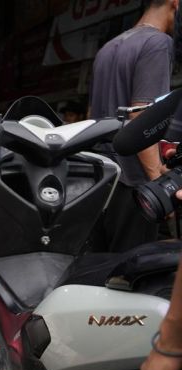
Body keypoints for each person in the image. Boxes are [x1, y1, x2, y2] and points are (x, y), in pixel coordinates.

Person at [88, 0, 178, 253]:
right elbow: (143, 118)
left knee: (101, 267)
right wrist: (158, 186)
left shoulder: (108, 47)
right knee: (130, 275)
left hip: (100, 179)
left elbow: (90, 115)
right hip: (133, 183)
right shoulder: (158, 44)